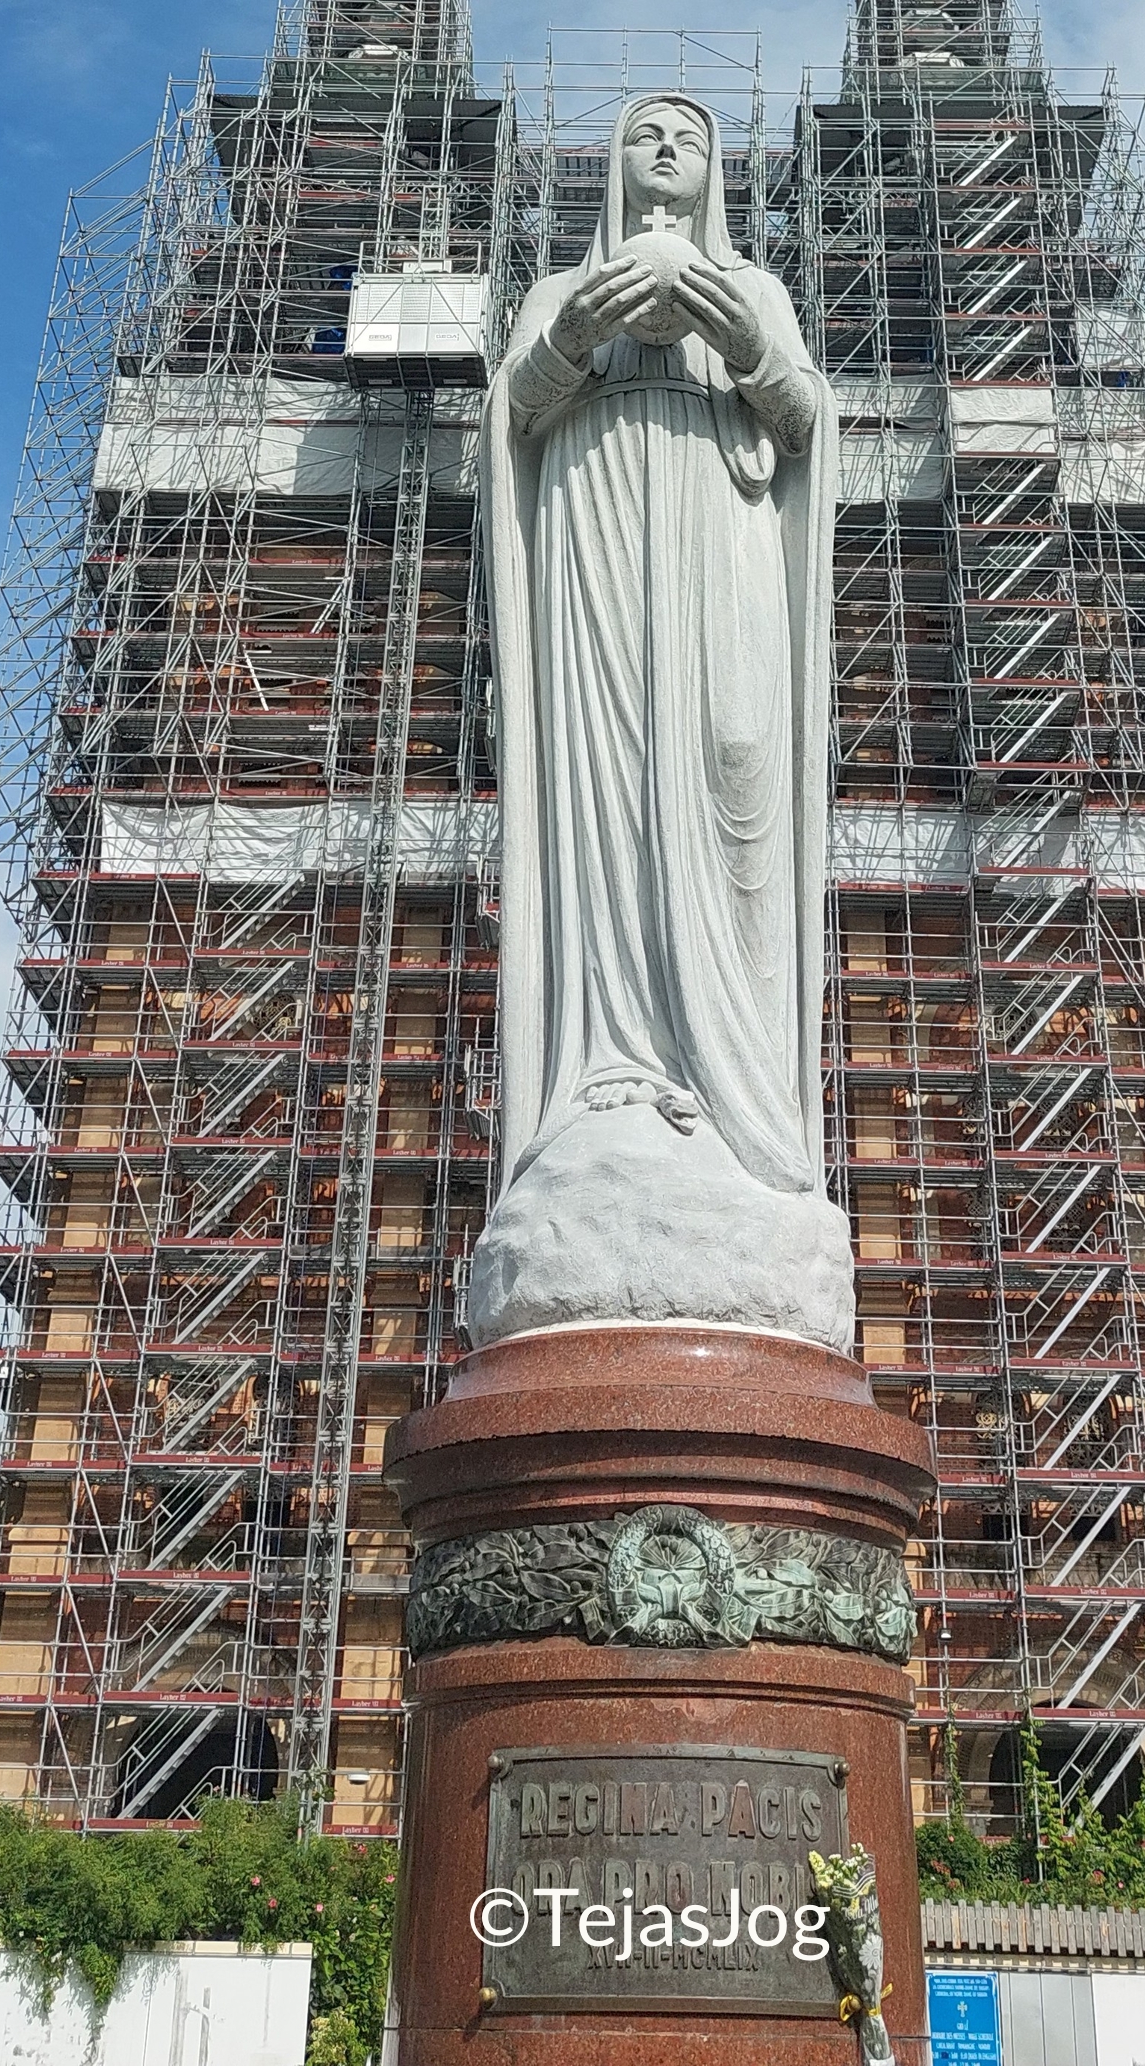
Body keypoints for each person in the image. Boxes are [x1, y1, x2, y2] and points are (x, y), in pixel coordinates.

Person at [469, 92, 853, 1349]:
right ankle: (614, 1075)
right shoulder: (556, 290)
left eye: (690, 135)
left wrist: (745, 341)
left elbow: (807, 423)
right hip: (595, 543)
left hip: (721, 546)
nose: (669, 148)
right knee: (609, 804)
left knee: (733, 772)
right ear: (615, 165)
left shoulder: (758, 288)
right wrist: (574, 335)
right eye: (646, 132)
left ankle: (737, 1098)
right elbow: (511, 416)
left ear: (716, 172)